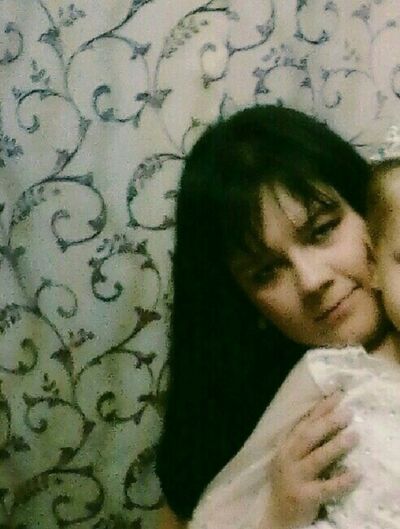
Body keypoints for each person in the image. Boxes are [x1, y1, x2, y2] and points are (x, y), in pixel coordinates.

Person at [156, 105, 389, 529]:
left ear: (369, 212)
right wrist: (277, 516)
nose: (312, 280)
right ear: (245, 301)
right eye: (266, 272)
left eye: (322, 230)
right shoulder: (240, 427)